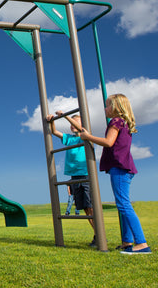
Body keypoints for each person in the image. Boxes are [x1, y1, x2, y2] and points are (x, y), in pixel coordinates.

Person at [79, 94, 151, 254]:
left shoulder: (116, 121)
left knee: (124, 205)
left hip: (120, 167)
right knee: (123, 205)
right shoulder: (124, 122)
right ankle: (127, 242)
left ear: (116, 107)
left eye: (107, 105)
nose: (105, 108)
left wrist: (87, 137)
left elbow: (109, 142)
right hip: (125, 167)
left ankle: (142, 243)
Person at [47, 112, 95, 245]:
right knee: (85, 207)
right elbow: (55, 132)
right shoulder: (70, 138)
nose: (71, 125)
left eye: (76, 122)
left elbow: (80, 129)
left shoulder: (85, 136)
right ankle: (97, 234)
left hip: (85, 173)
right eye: (71, 123)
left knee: (90, 206)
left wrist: (65, 116)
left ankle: (99, 235)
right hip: (74, 175)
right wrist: (52, 120)